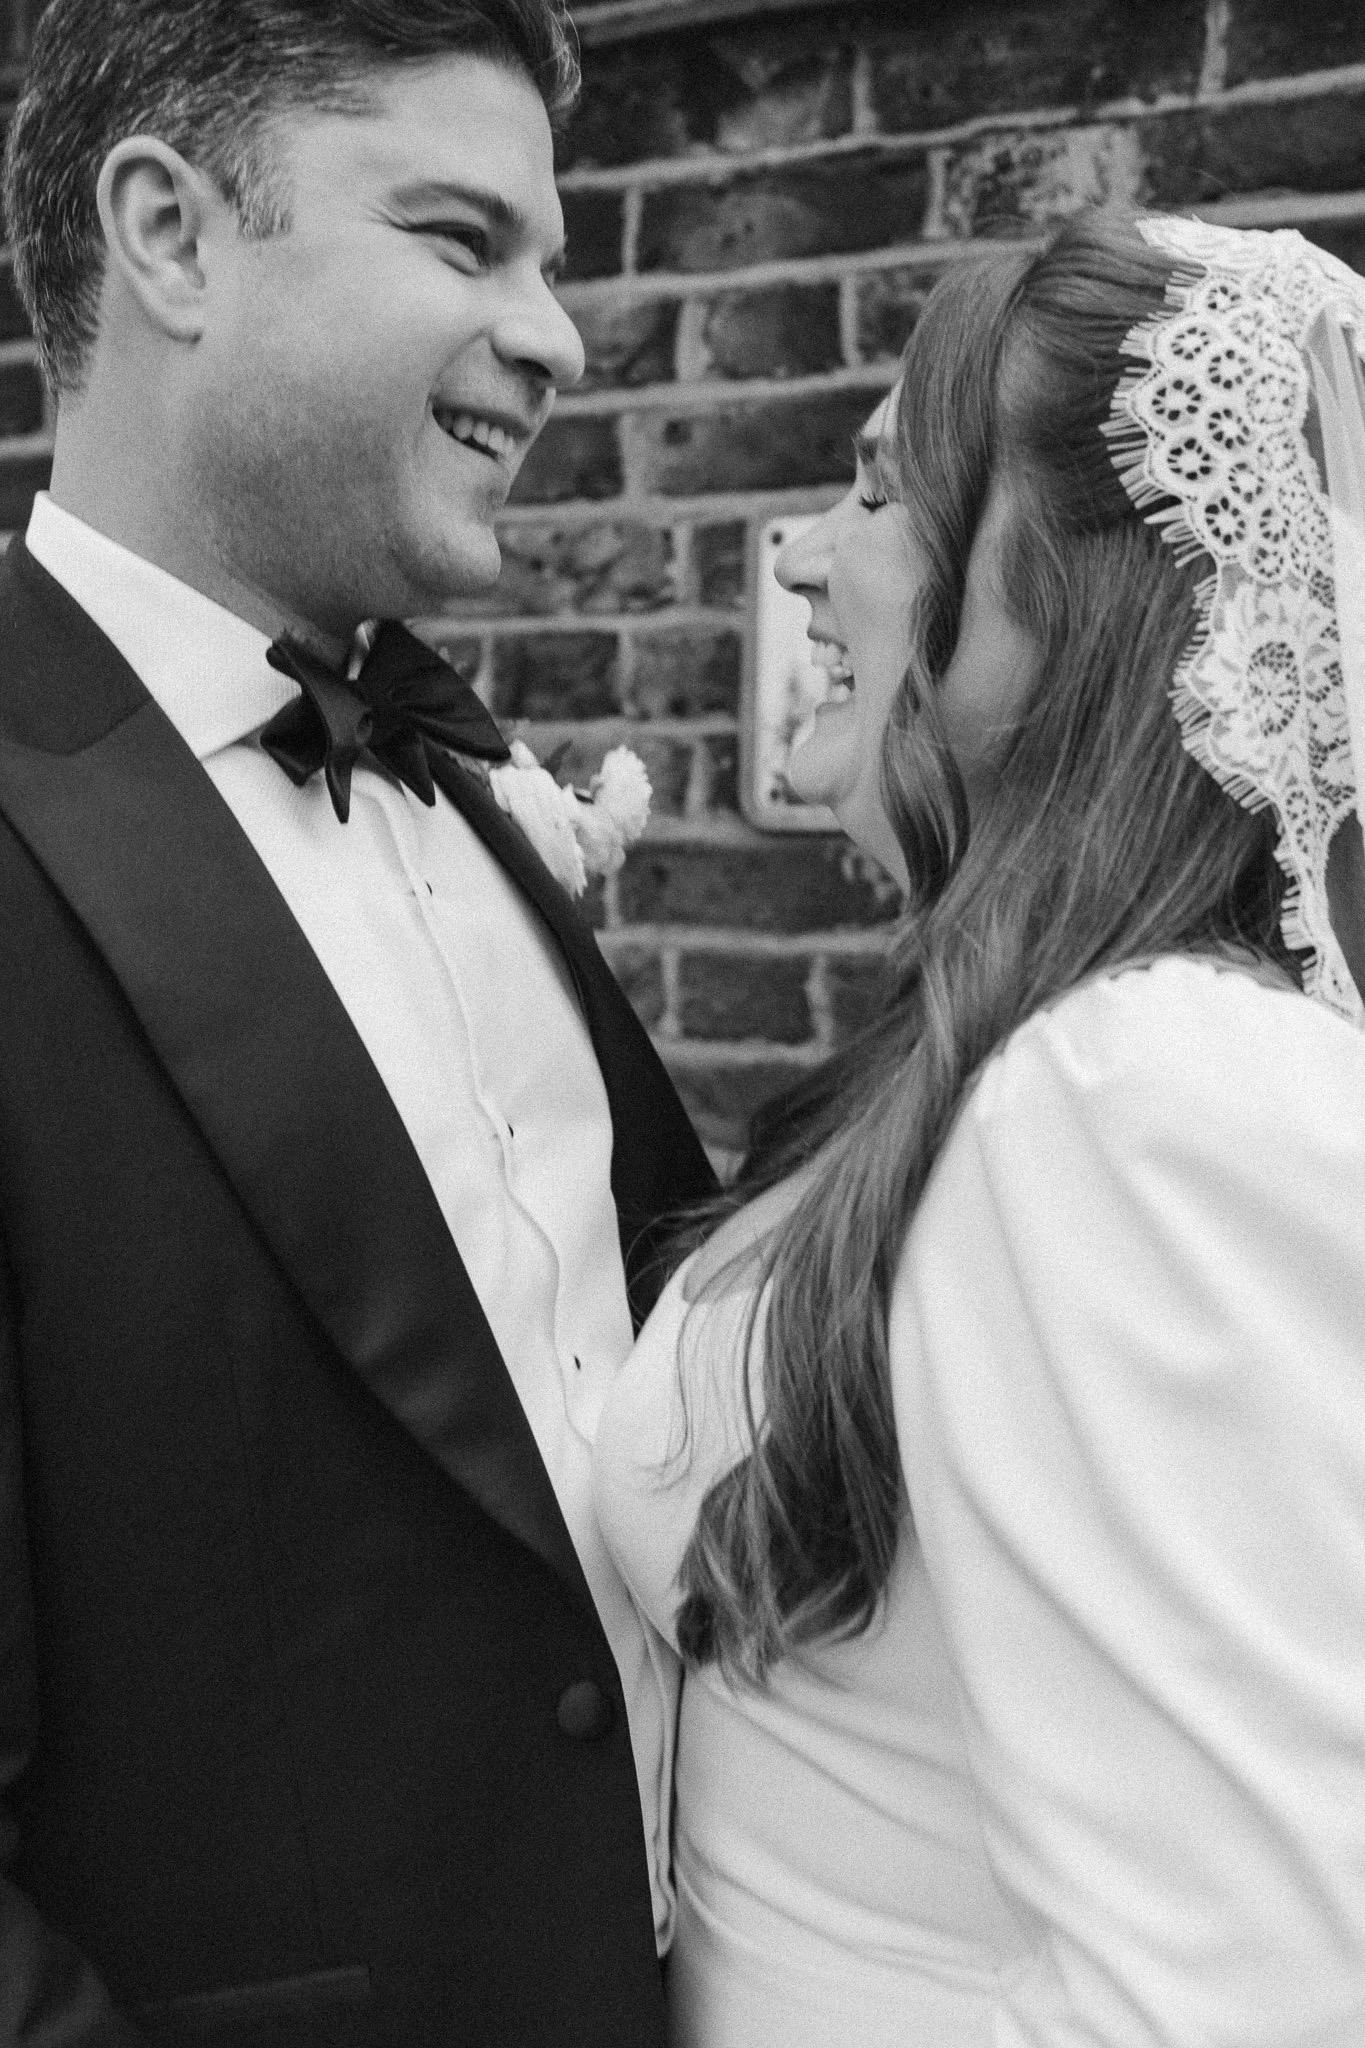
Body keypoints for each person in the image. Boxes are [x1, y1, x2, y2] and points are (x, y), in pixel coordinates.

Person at [0, 4, 715, 2044]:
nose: (559, 333)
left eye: (553, 259)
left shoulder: (468, 798)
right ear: (174, 236)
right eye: (463, 239)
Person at [594, 212, 1365, 2045]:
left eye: (881, 493)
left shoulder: (1140, 1098)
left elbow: (1244, 2002)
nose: (804, 563)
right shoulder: (1020, 1061)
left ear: (1076, 591)